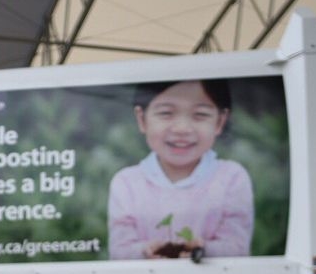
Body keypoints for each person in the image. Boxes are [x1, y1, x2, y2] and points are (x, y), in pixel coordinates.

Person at [107, 79, 253, 259]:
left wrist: (204, 250)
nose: (182, 129)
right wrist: (144, 251)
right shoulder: (127, 182)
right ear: (141, 119)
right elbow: (119, 251)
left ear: (220, 121)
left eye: (200, 114)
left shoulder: (231, 178)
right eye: (166, 113)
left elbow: (237, 248)